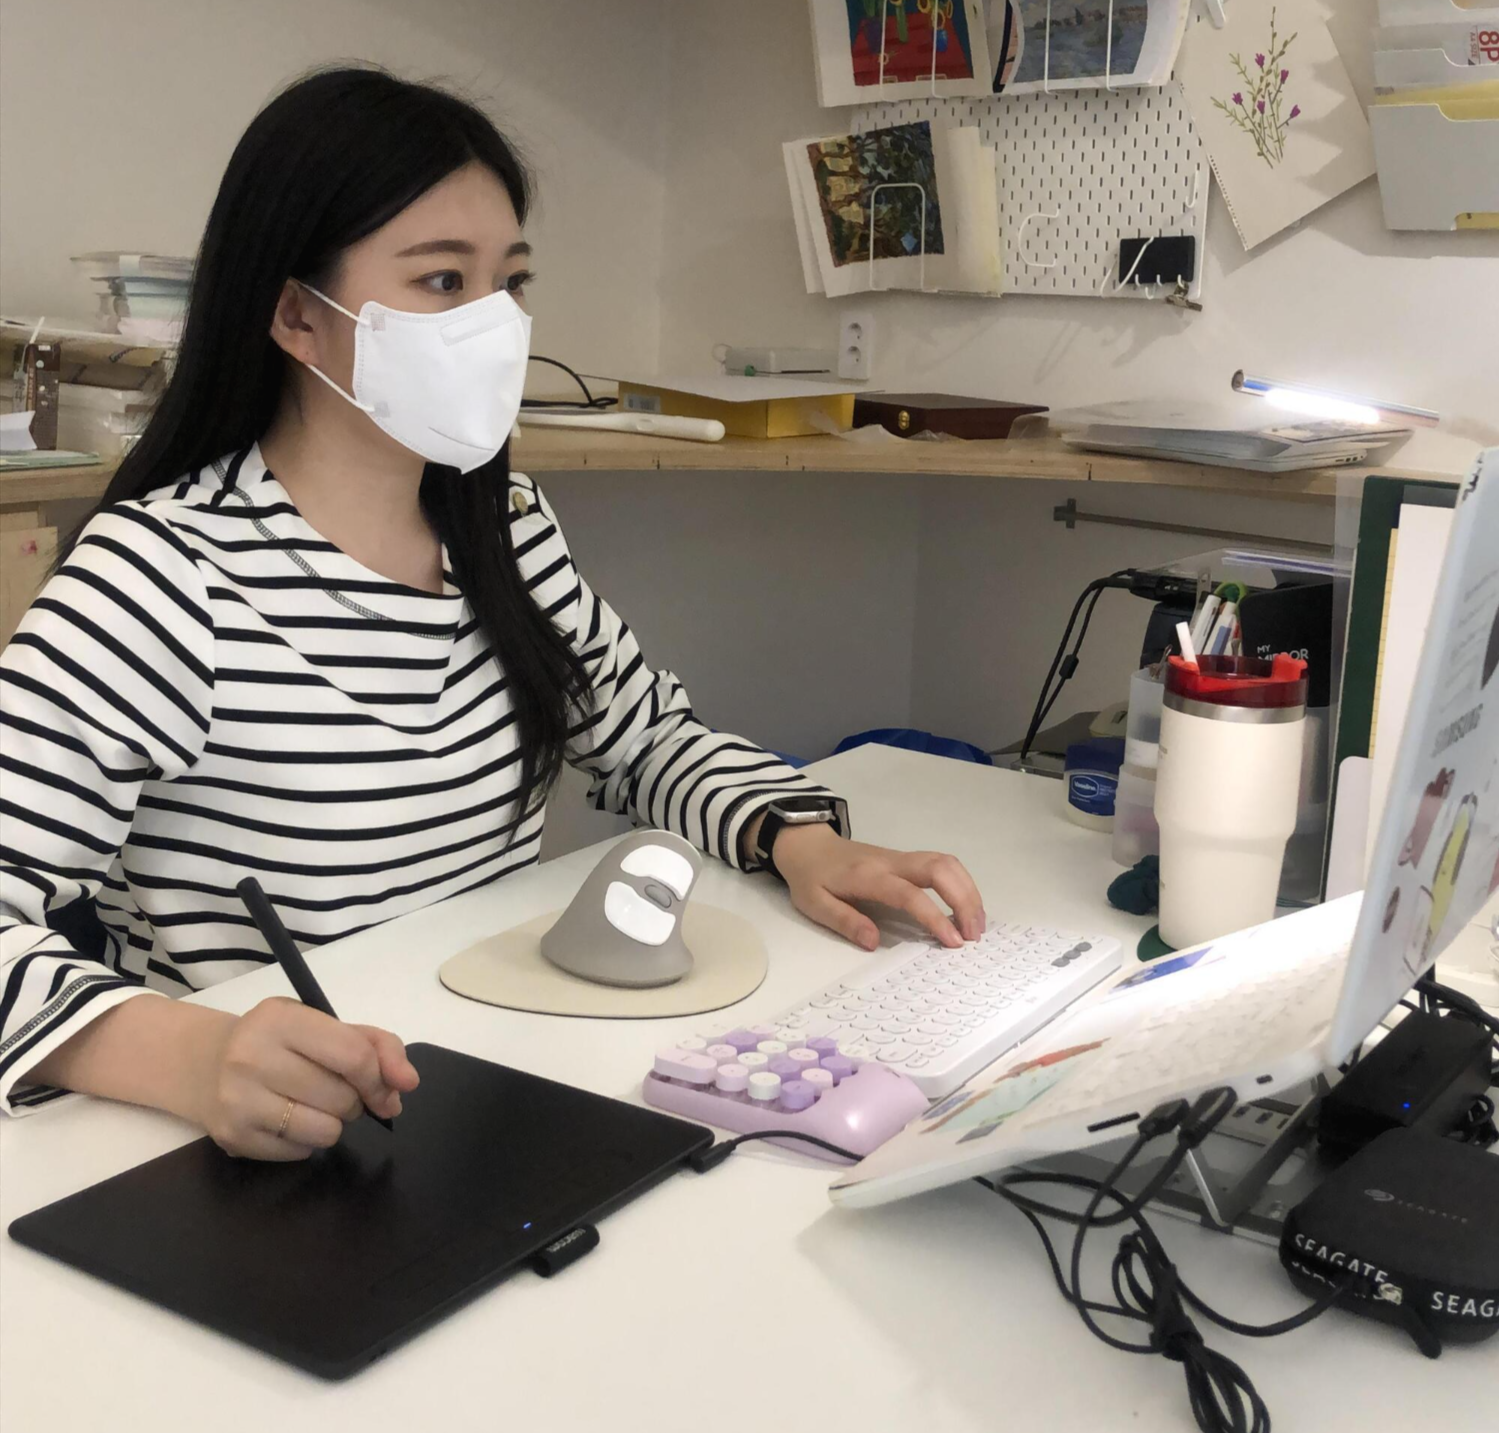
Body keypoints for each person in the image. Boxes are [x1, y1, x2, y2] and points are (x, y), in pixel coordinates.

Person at [0, 68, 985, 1160]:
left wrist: (797, 837)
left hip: (486, 1100)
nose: (494, 325)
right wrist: (191, 1053)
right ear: (296, 315)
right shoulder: (162, 576)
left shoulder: (504, 526)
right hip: (275, 1149)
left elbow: (644, 738)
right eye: (440, 281)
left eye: (509, 282)